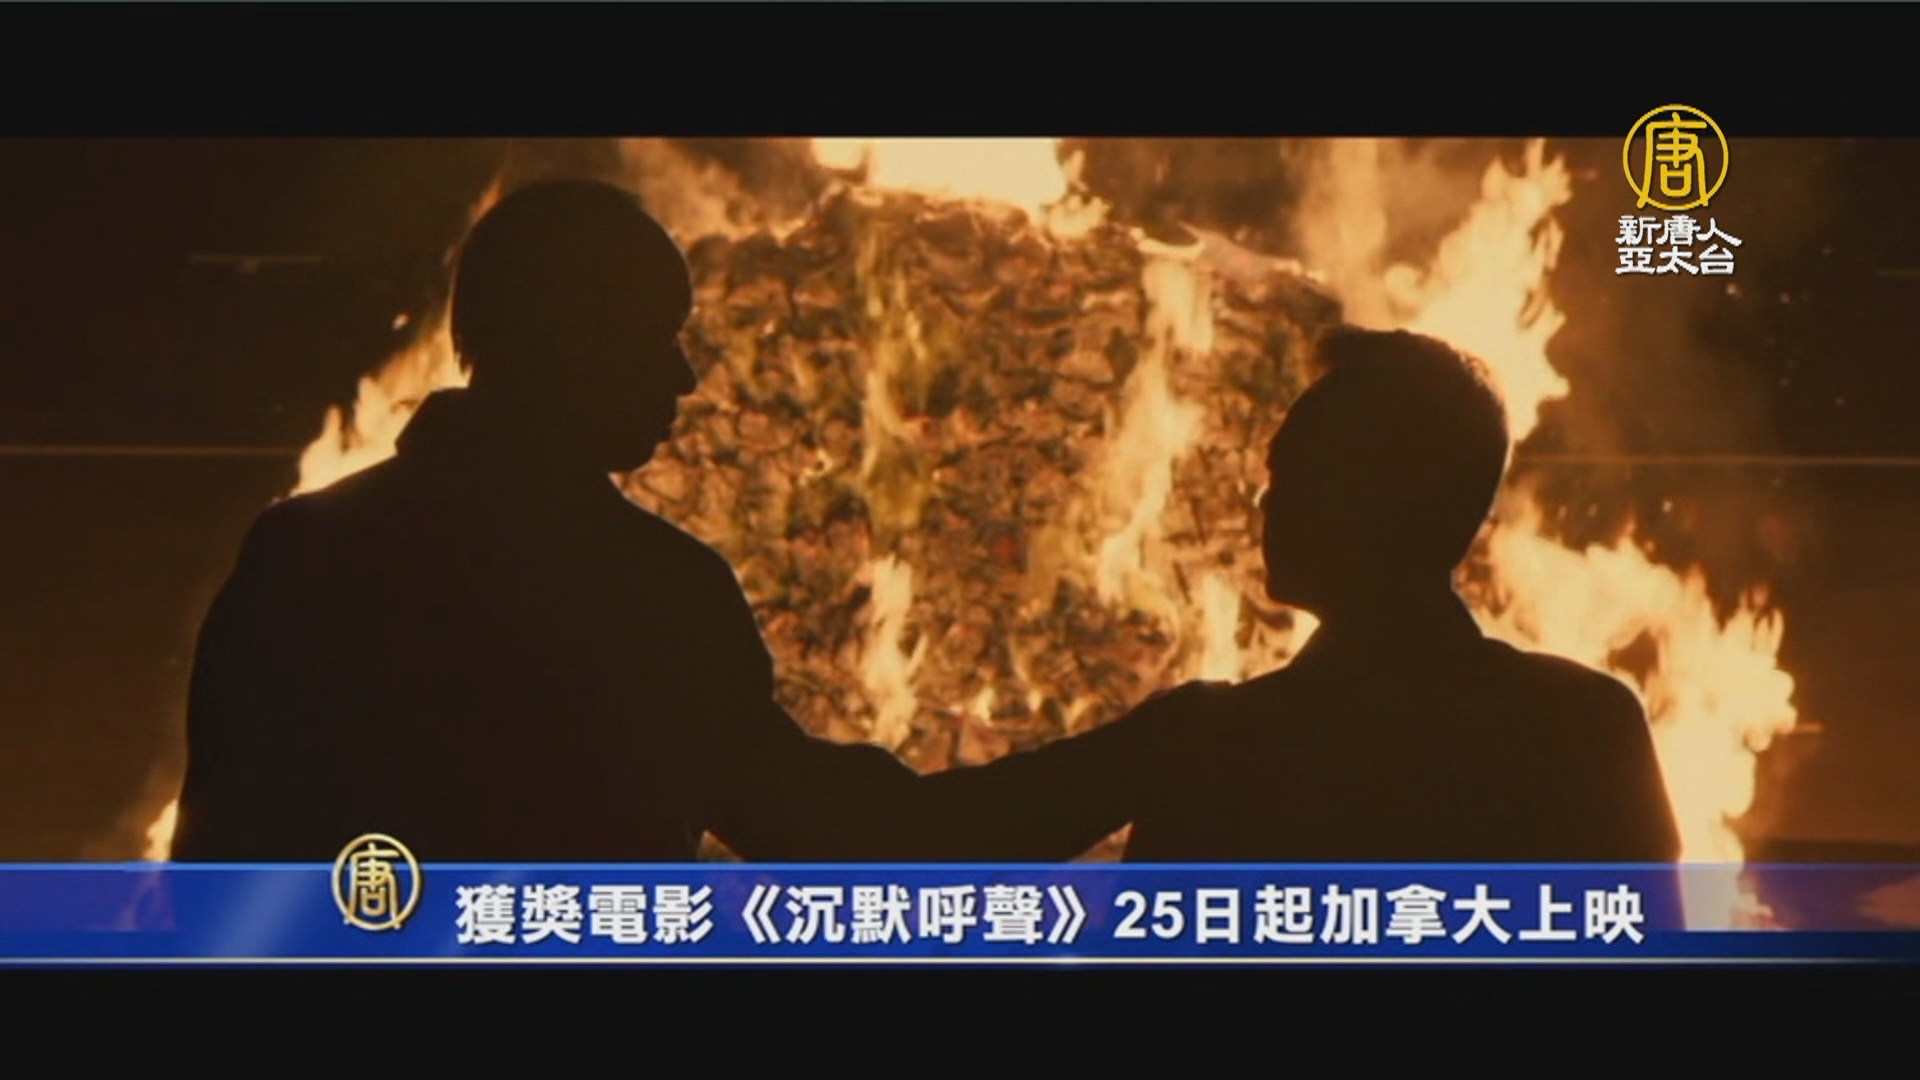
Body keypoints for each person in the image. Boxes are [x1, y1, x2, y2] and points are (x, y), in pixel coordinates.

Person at [171, 179, 1171, 863]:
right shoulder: (646, 596)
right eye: (652, 340)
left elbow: (218, 870)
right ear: (566, 342)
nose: (685, 377)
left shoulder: (299, 553)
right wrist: (1139, 759)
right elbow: (853, 837)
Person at [1120, 328, 1682, 863]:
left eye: (1294, 473)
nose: (1267, 501)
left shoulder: (1223, 752)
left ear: (1377, 501)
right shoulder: (1587, 727)